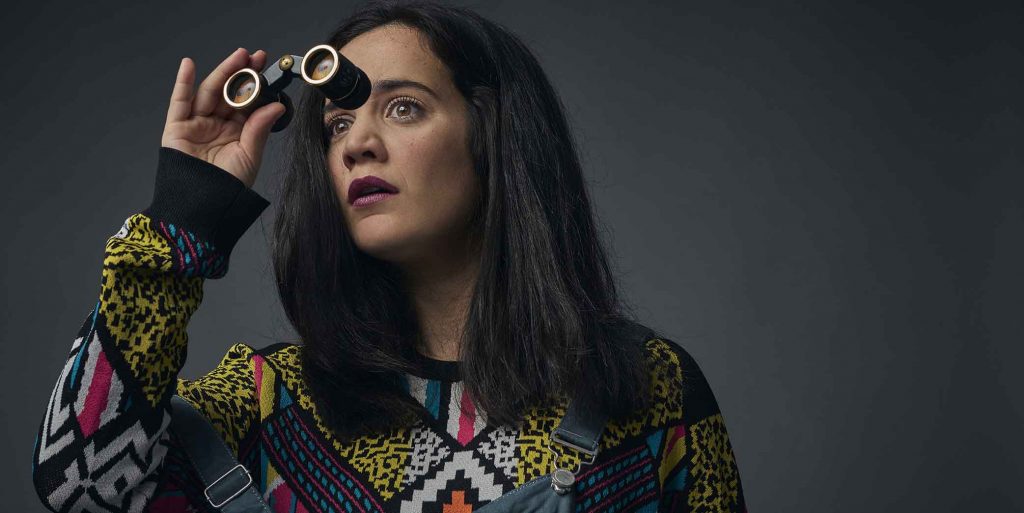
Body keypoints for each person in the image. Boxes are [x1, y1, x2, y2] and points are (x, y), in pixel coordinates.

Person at [30, 1, 747, 512]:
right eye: (338, 123)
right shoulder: (271, 402)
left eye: (403, 107)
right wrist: (185, 216)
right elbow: (83, 486)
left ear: (495, 136)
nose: (357, 144)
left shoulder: (649, 389)